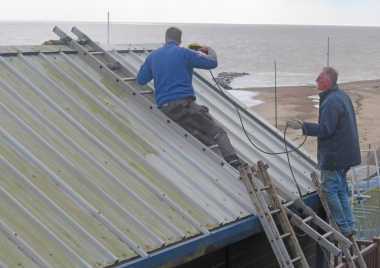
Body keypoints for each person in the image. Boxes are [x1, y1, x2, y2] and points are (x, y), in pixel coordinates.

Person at [136, 27, 241, 169]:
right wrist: (209, 50)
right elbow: (212, 62)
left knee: (200, 116)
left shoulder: (153, 56)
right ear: (180, 41)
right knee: (218, 132)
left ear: (165, 38)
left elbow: (141, 80)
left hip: (166, 108)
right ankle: (235, 164)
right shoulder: (185, 53)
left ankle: (199, 133)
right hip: (183, 106)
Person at [287, 67, 361, 237]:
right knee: (340, 190)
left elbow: (326, 129)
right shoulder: (341, 95)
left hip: (335, 155)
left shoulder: (332, 101)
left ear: (327, 82)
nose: (315, 81)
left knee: (329, 190)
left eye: (318, 78)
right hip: (346, 154)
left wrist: (303, 126)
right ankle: (348, 225)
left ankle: (342, 227)